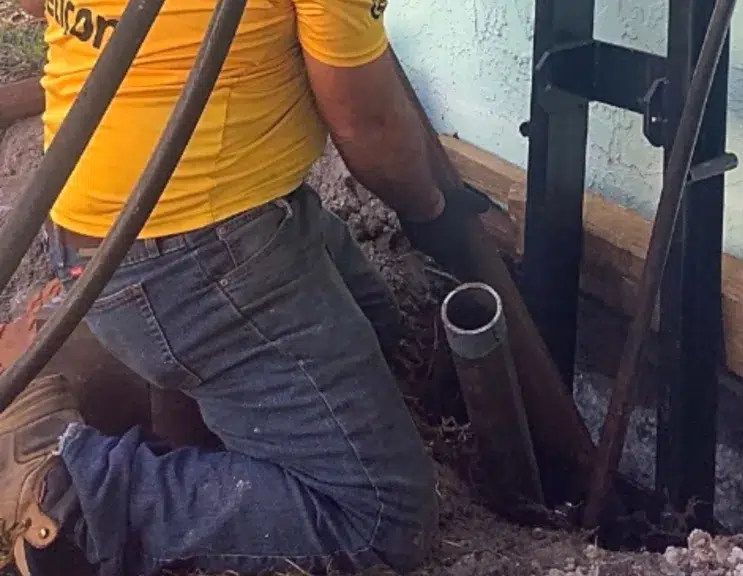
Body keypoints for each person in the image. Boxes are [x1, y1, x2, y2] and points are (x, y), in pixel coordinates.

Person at [1, 0, 487, 574]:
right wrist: (431, 211)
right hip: (194, 251)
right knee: (380, 522)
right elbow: (367, 124)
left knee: (380, 333)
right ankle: (64, 494)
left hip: (102, 224)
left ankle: (208, 425)